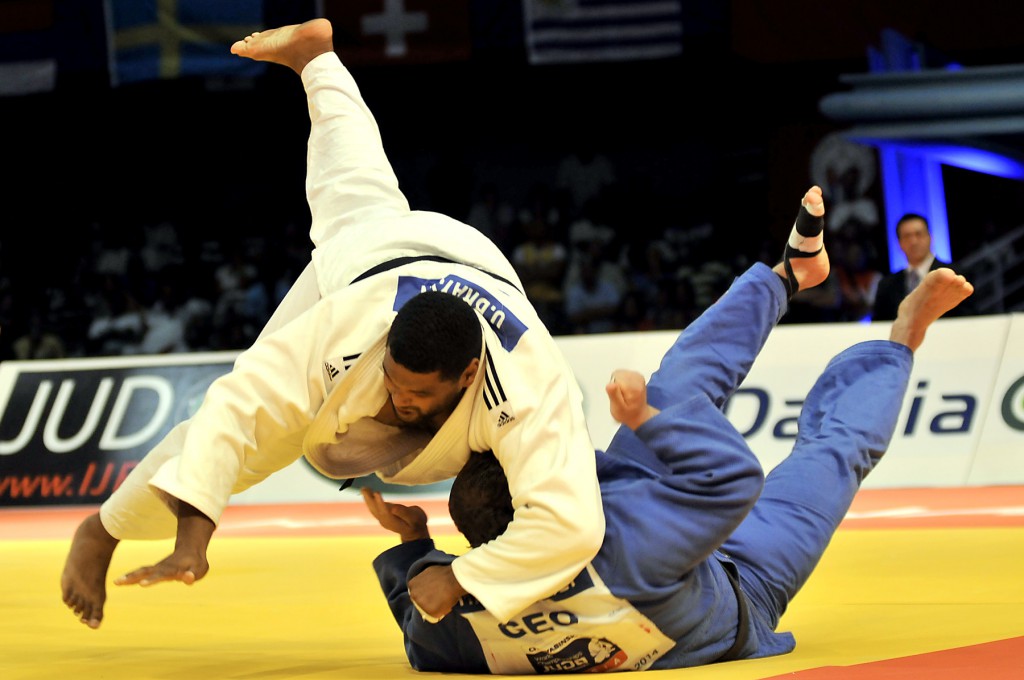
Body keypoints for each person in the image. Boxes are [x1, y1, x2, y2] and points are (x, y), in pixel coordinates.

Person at [61, 19, 603, 631]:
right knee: (262, 439)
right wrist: (193, 537)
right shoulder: (350, 329)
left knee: (358, 186)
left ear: (471, 372)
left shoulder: (530, 387)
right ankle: (100, 529)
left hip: (470, 260)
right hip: (368, 266)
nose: (400, 399)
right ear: (385, 349)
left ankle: (318, 60)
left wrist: (461, 575)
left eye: (419, 393)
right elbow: (238, 408)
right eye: (396, 383)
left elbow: (572, 522)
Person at [363, 187, 975, 673]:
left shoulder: (457, 629)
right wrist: (646, 421)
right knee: (824, 456)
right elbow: (735, 483)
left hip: (642, 537)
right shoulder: (624, 544)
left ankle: (796, 274)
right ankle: (898, 338)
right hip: (741, 589)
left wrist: (416, 550)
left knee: (700, 392)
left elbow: (422, 637)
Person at [872, 212, 962, 320]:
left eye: (918, 234)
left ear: (930, 237)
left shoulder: (955, 275)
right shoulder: (886, 285)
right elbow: (878, 325)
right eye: (907, 236)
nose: (913, 241)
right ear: (899, 243)